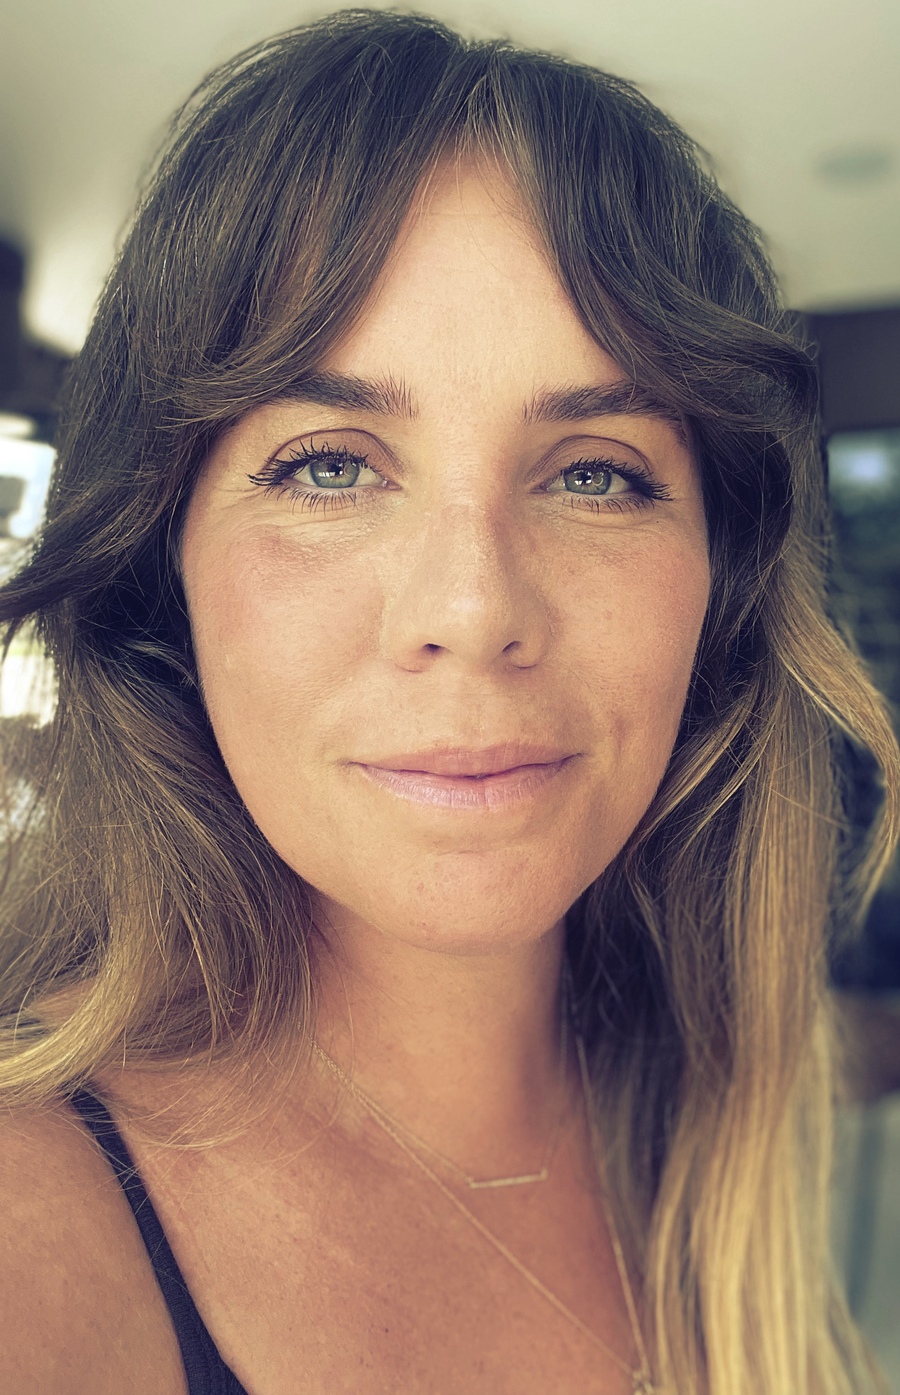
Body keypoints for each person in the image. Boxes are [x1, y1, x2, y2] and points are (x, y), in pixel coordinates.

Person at [0, 10, 896, 1394]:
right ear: (159, 563)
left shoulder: (729, 1133)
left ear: (720, 587)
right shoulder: (33, 1238)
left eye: (595, 472)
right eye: (330, 465)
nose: (474, 610)